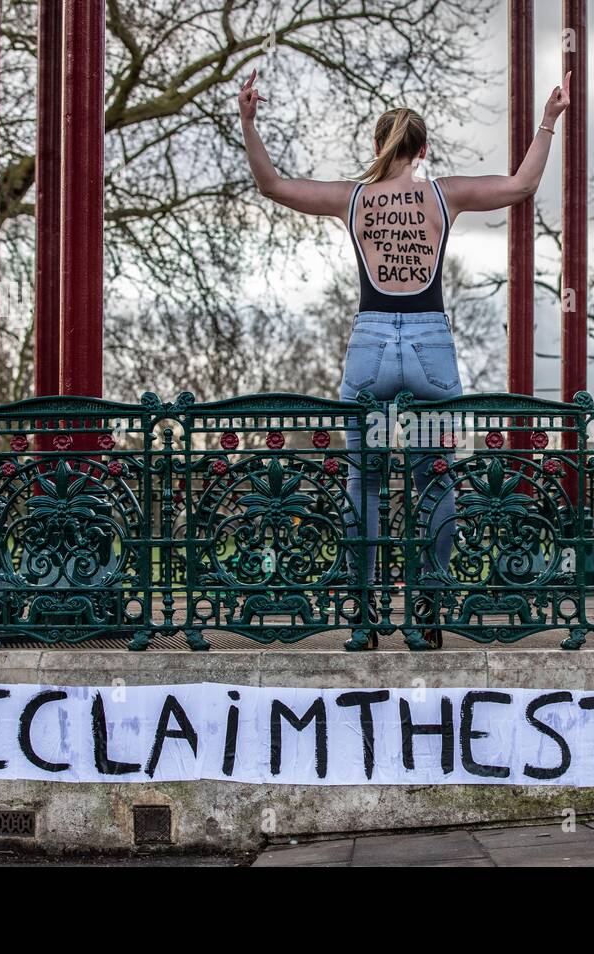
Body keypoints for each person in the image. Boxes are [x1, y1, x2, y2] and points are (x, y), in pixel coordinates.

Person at [239, 69, 571, 647]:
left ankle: (364, 620)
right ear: (423, 149)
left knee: (363, 485)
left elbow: (273, 184)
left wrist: (249, 122)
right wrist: (548, 119)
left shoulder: (354, 197)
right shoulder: (444, 194)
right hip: (430, 350)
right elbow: (521, 185)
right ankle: (428, 614)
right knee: (437, 483)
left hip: (369, 347)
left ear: (377, 145)